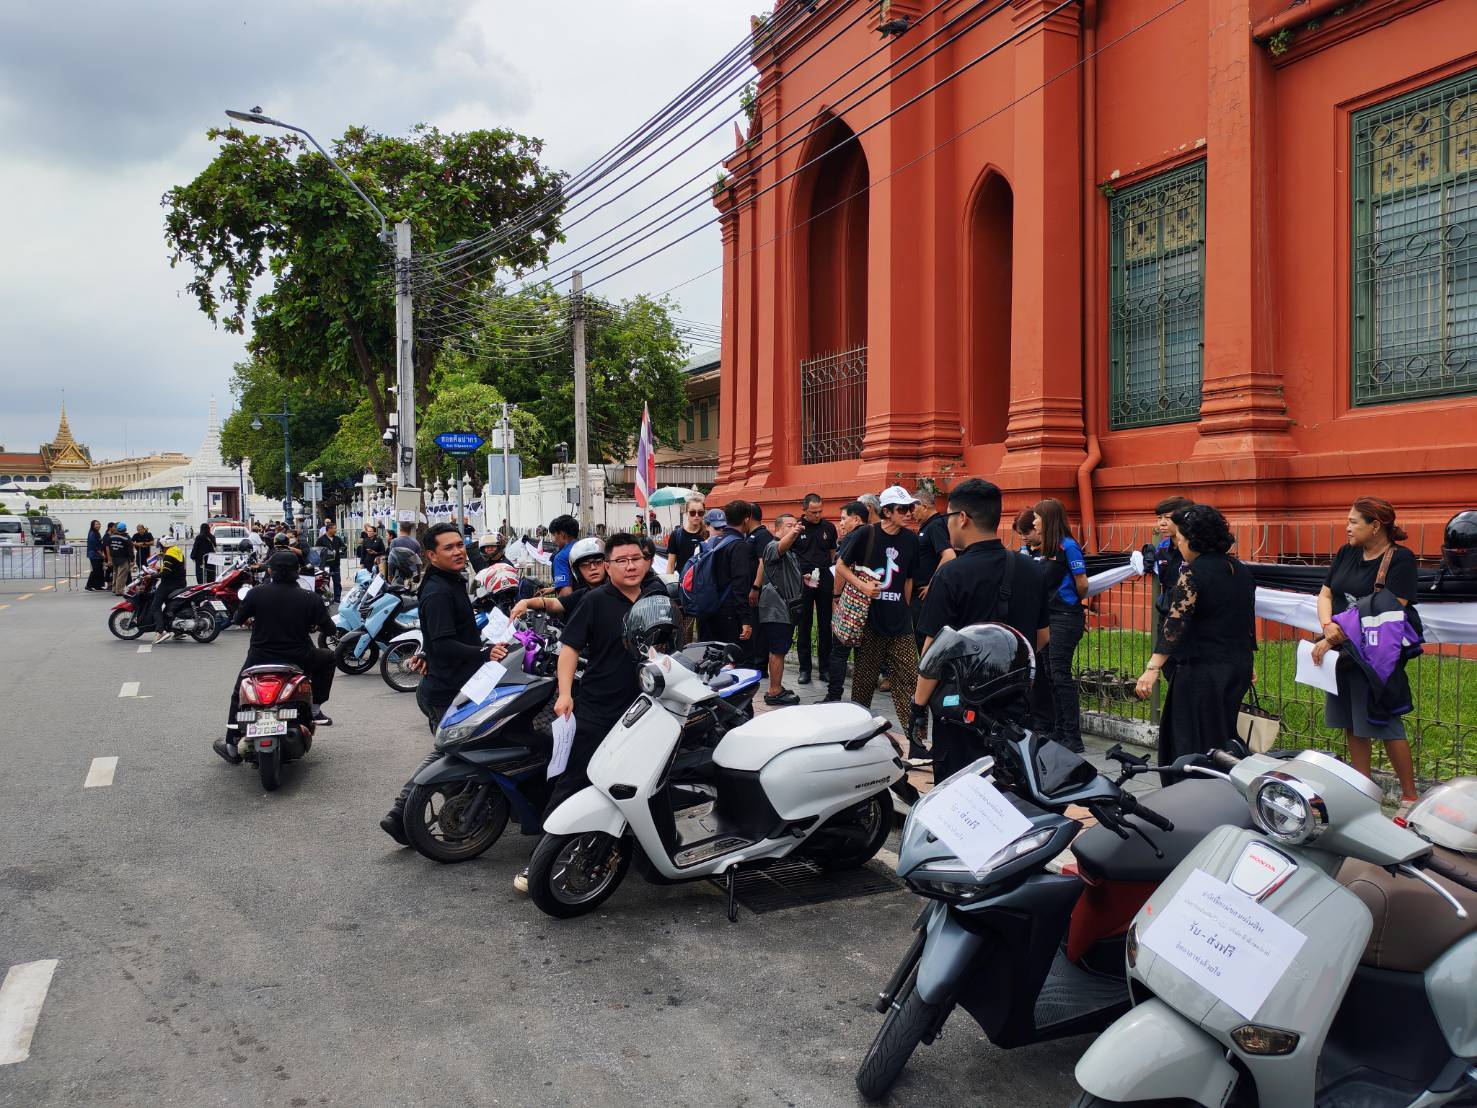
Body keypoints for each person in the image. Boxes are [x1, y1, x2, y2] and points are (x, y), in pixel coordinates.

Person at [522, 533, 670, 893]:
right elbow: (570, 649)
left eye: (636, 559)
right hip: (599, 707)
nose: (631, 566)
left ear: (646, 562)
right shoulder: (594, 600)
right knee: (575, 780)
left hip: (646, 709)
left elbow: (667, 647)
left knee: (648, 780)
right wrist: (565, 694)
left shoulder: (657, 599)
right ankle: (541, 858)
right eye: (622, 560)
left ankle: (649, 853)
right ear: (608, 566)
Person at [910, 479, 1052, 779]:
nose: (947, 524)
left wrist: (918, 706)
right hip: (1015, 704)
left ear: (962, 518)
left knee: (959, 790)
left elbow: (933, 652)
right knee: (1008, 787)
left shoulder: (950, 574)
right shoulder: (1031, 569)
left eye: (949, 517)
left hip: (961, 711)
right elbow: (1042, 636)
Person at [380, 523, 507, 844]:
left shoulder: (450, 581)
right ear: (431, 555)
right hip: (446, 689)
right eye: (448, 548)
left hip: (456, 682)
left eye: (459, 545)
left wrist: (428, 652)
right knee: (449, 753)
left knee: (455, 751)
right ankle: (403, 814)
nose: (458, 551)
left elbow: (437, 634)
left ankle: (429, 815)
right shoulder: (438, 590)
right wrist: (484, 652)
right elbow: (444, 641)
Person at [1312, 496, 1422, 815]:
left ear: (1375, 526)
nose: (1347, 528)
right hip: (1342, 651)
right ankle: (1363, 790)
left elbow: (1392, 609)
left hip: (1375, 655)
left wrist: (1335, 634)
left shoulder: (1400, 559)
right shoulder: (1346, 552)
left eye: (1353, 522)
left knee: (1384, 721)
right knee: (1352, 721)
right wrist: (1327, 626)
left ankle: (1410, 798)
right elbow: (1326, 593)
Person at [1133, 505, 1256, 770]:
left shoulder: (1192, 573)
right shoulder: (1240, 569)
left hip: (1203, 670)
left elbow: (1176, 623)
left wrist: (1152, 668)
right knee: (1224, 736)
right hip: (1238, 666)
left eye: (1180, 539)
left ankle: (1193, 789)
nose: (1178, 545)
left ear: (1193, 540)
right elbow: (1245, 619)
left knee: (1191, 741)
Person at [213, 550, 337, 765]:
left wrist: (251, 619)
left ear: (270, 571)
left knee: (238, 693)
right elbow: (330, 629)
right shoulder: (310, 598)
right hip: (299, 659)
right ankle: (315, 709)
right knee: (328, 658)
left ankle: (232, 743)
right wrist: (314, 625)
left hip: (259, 658)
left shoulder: (256, 593)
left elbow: (238, 619)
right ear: (297, 571)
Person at [837, 486, 922, 736]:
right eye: (902, 509)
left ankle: (916, 739)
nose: (909, 513)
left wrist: (903, 608)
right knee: (864, 684)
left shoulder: (911, 540)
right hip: (869, 620)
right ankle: (857, 733)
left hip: (900, 623)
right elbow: (841, 566)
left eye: (910, 508)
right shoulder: (866, 533)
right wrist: (863, 586)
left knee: (910, 680)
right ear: (886, 512)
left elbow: (908, 579)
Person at [1032, 498, 1091, 754]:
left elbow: (1082, 583)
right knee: (1049, 673)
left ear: (1048, 519)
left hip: (1065, 617)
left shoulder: (1068, 546)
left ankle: (1072, 736)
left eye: (1037, 518)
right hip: (1049, 617)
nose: (1034, 522)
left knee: (1059, 674)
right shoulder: (1046, 547)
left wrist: (1070, 600)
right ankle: (1059, 729)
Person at [755, 512, 804, 706]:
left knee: (780, 649)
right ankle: (774, 691)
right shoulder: (772, 546)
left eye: (795, 525)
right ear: (777, 529)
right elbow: (780, 546)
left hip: (784, 609)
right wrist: (796, 531)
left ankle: (777, 687)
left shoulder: (790, 551)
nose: (794, 528)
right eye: (789, 526)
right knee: (777, 650)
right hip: (776, 609)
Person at [825, 501, 870, 702]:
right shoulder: (875, 535)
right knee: (864, 654)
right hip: (870, 601)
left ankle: (834, 695)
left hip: (851, 602)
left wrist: (836, 597)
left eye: (844, 519)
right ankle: (860, 699)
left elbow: (841, 570)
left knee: (839, 651)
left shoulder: (853, 537)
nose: (841, 523)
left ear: (857, 519)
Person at [790, 493, 837, 687]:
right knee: (804, 625)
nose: (817, 515)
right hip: (803, 579)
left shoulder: (829, 527)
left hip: (824, 577)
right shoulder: (796, 529)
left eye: (820, 511)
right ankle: (805, 669)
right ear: (804, 510)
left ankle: (825, 668)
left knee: (825, 624)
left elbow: (832, 552)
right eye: (813, 512)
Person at [698, 503, 756, 647]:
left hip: (709, 608)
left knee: (711, 654)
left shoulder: (713, 541)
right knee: (733, 655)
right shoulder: (739, 545)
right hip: (729, 613)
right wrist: (745, 619)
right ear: (746, 519)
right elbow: (740, 585)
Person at [512, 537, 607, 621]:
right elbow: (554, 603)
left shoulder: (614, 592)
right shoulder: (583, 594)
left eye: (598, 562)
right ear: (578, 571)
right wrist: (525, 602)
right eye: (585, 564)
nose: (593, 567)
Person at [1147, 494, 1194, 655]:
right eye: (1159, 518)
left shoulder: (1196, 548)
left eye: (1168, 518)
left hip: (1193, 614)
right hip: (1167, 612)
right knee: (1167, 662)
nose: (1162, 523)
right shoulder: (1161, 548)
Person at [912, 490, 956, 650]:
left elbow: (949, 555)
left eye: (913, 508)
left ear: (924, 507)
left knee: (926, 641)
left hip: (926, 595)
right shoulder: (929, 526)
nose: (910, 513)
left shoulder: (935, 525)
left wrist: (932, 584)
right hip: (922, 593)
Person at [146, 543, 189, 644]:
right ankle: (178, 631)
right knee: (172, 607)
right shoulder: (178, 551)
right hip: (181, 583)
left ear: (165, 545)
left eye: (161, 547)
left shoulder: (168, 555)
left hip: (169, 584)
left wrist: (152, 576)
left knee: (155, 606)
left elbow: (166, 573)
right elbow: (174, 567)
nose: (161, 549)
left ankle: (160, 631)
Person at [666, 495, 706, 577]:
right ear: (686, 513)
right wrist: (669, 582)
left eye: (700, 512)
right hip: (683, 581)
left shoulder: (708, 534)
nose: (696, 515)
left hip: (703, 582)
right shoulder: (676, 535)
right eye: (692, 512)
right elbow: (670, 566)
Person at [548, 514, 580, 598]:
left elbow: (566, 594)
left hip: (576, 605)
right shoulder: (584, 548)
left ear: (562, 534)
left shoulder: (561, 557)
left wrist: (545, 603)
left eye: (554, 535)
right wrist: (554, 588)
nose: (553, 540)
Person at [315, 521, 347, 602]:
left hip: (335, 564)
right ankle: (327, 598)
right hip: (325, 565)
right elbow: (317, 551)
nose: (336, 530)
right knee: (326, 582)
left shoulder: (337, 539)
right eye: (334, 528)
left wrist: (340, 551)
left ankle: (337, 598)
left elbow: (343, 547)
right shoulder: (321, 540)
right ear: (329, 529)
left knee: (337, 581)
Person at [106, 523, 134, 594]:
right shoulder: (126, 538)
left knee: (115, 574)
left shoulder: (112, 536)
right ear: (125, 529)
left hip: (114, 558)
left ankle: (114, 588)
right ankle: (119, 591)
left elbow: (108, 547)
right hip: (123, 559)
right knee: (121, 575)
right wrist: (132, 560)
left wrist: (109, 559)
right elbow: (130, 550)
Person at [85, 520, 106, 591]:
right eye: (96, 524)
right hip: (94, 555)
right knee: (95, 570)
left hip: (97, 555)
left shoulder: (97, 533)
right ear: (93, 525)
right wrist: (102, 554)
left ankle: (98, 585)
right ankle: (88, 585)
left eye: (99, 524)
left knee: (99, 570)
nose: (98, 525)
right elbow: (95, 546)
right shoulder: (92, 534)